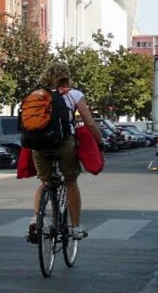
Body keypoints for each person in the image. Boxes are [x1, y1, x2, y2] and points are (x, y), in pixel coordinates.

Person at [29, 62, 103, 241]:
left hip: (38, 144)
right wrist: (100, 142)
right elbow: (90, 123)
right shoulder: (74, 95)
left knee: (46, 182)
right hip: (64, 143)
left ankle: (36, 219)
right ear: (66, 77)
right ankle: (76, 227)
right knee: (70, 181)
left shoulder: (35, 95)